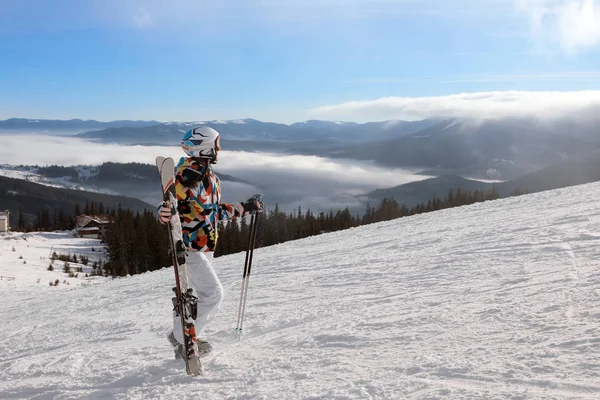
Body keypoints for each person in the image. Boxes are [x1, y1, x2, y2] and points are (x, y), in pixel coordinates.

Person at [158, 125, 263, 358]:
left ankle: (184, 335)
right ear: (206, 148)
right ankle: (181, 337)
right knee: (214, 293)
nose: (219, 149)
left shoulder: (210, 178)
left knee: (193, 296)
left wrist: (244, 208)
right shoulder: (187, 176)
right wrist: (164, 213)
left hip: (206, 246)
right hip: (188, 248)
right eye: (217, 145)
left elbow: (213, 212)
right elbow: (168, 202)